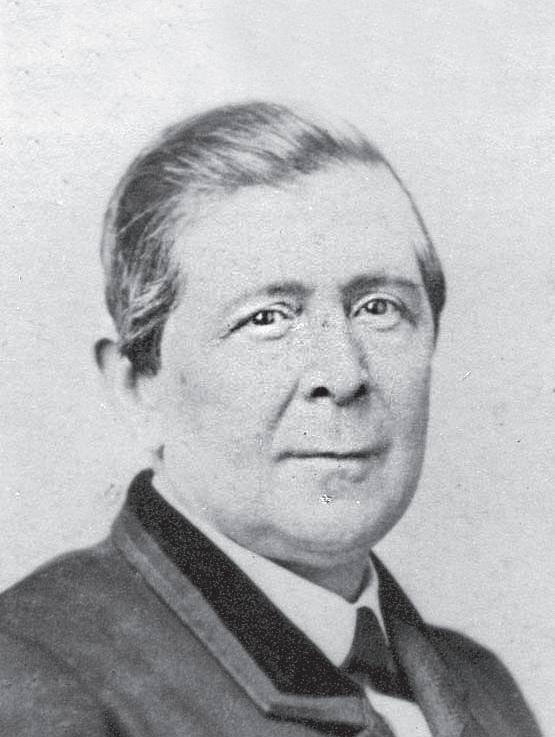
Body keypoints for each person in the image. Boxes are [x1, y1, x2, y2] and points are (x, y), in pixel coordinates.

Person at [0, 102, 541, 737]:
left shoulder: (485, 690)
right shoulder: (34, 678)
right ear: (136, 386)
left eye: (378, 307)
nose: (343, 373)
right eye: (267, 319)